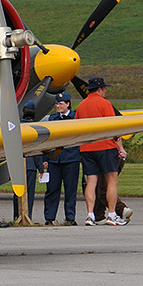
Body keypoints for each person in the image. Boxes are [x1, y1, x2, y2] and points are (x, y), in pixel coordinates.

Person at [75, 77, 127, 226]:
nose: (105, 91)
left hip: (87, 148)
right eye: (104, 89)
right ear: (99, 89)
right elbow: (113, 127)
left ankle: (90, 215)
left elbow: (77, 127)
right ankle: (111, 214)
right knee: (112, 180)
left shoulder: (81, 106)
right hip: (105, 147)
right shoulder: (105, 104)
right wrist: (120, 148)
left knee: (91, 181)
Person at [42, 93, 80, 226]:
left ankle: (70, 217)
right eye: (57, 104)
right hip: (54, 159)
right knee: (52, 189)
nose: (58, 106)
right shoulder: (53, 119)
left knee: (70, 189)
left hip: (71, 158)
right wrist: (45, 157)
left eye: (61, 104)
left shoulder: (75, 118)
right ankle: (49, 217)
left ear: (68, 104)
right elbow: (47, 139)